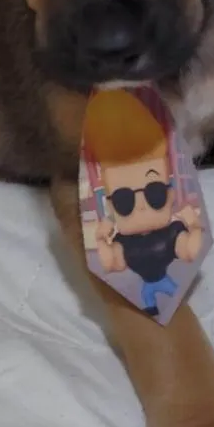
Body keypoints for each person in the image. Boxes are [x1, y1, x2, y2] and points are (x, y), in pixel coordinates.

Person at [83, 89, 203, 315]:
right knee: (151, 301)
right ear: (111, 206)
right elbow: (111, 263)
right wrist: (100, 239)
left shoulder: (173, 232)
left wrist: (195, 226)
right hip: (145, 290)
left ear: (170, 195)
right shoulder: (122, 242)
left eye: (154, 193)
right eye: (124, 200)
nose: (140, 204)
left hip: (170, 282)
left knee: (169, 292)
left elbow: (189, 250)